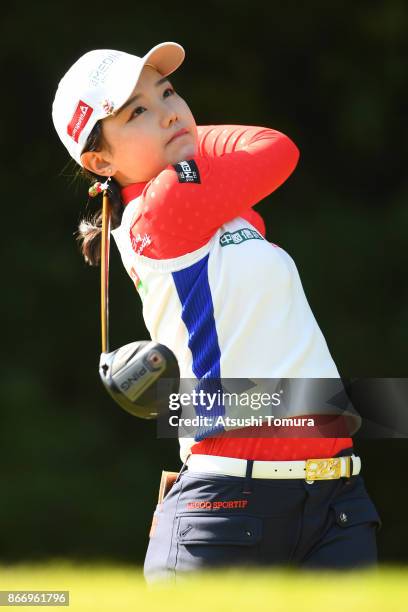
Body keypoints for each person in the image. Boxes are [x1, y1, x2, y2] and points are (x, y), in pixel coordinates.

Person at [52, 41, 382, 584]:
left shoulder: (217, 206)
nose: (170, 111)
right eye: (138, 112)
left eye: (168, 93)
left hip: (336, 502)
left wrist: (170, 134)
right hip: (235, 507)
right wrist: (182, 139)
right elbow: (273, 146)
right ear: (99, 161)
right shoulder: (164, 206)